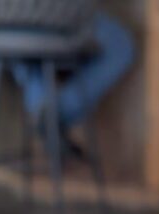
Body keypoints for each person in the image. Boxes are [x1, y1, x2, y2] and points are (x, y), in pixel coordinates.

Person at [10, 11, 135, 143]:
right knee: (121, 45)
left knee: (26, 48)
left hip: (4, 23)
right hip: (54, 16)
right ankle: (57, 112)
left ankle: (41, 107)